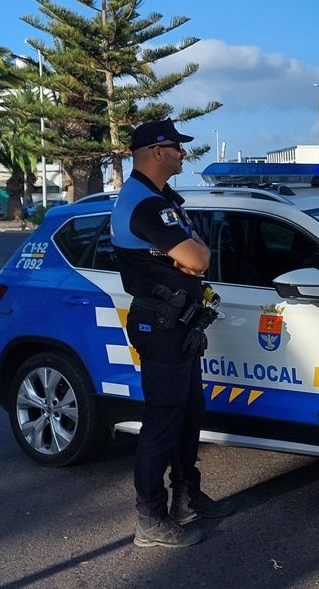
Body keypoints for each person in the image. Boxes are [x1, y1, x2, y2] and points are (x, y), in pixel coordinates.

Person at [111, 118, 235, 548]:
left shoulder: (163, 198)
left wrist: (190, 255)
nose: (183, 153)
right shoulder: (144, 204)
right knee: (162, 423)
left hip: (179, 323)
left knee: (187, 415)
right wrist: (189, 256)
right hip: (160, 324)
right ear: (157, 152)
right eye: (177, 148)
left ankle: (187, 496)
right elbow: (197, 260)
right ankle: (150, 518)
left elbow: (199, 250)